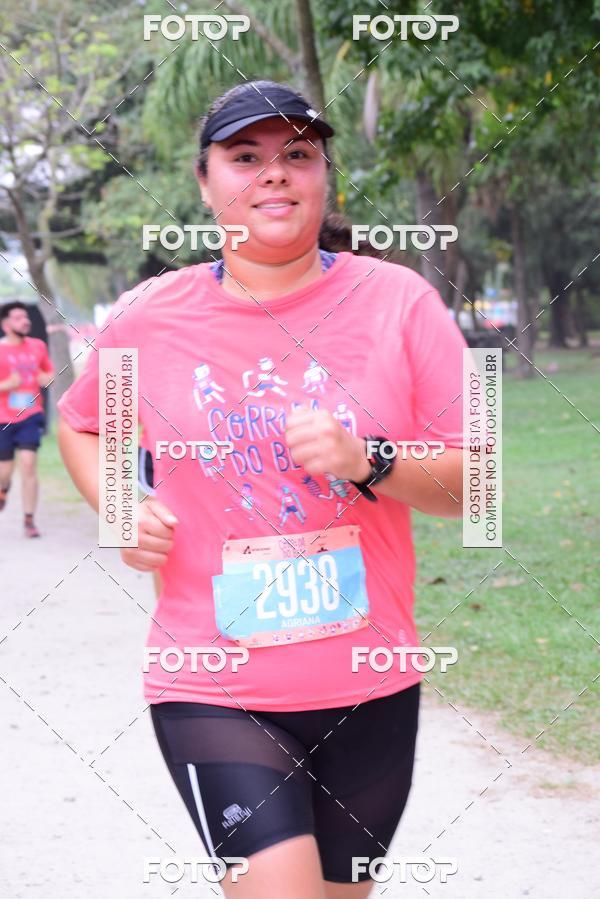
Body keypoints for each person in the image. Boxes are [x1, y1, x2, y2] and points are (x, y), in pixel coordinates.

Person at [57, 80, 467, 898]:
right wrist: (119, 504)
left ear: (325, 180)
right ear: (205, 183)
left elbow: (476, 479)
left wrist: (370, 458)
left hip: (369, 679)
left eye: (298, 155)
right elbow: (83, 422)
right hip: (212, 680)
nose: (274, 174)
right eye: (246, 157)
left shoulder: (402, 304)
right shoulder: (147, 316)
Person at [0, 301, 54, 537]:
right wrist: (6, 385)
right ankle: (3, 489)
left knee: (28, 463)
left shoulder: (38, 346)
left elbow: (49, 373)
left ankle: (29, 520)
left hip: (31, 413)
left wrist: (47, 379)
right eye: (19, 318)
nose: (26, 321)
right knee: (5, 471)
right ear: (6, 324)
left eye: (26, 317)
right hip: (3, 418)